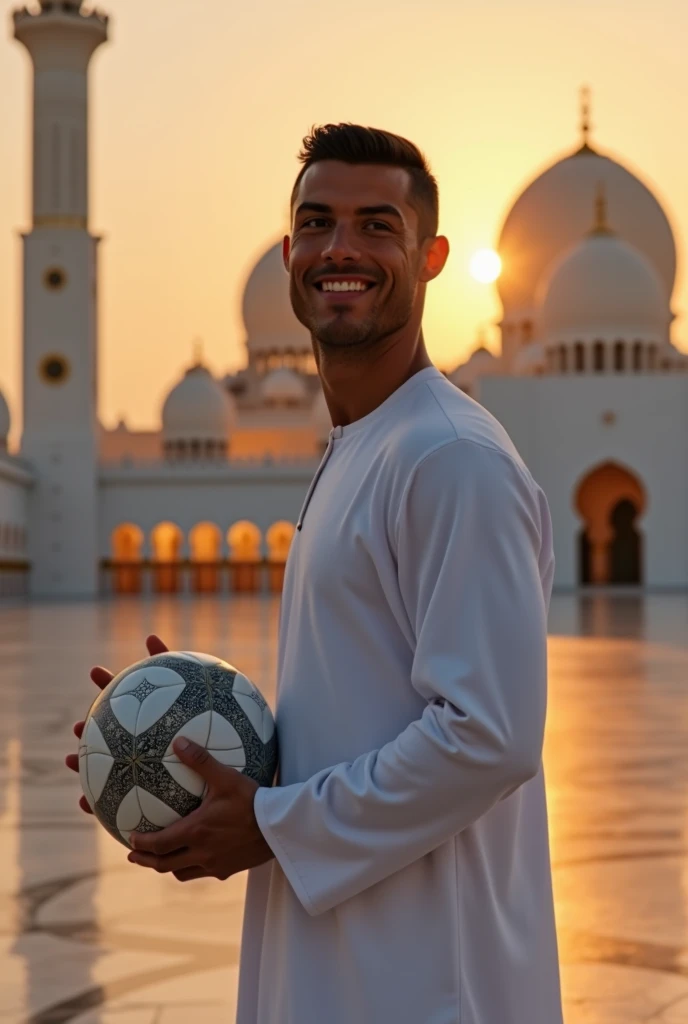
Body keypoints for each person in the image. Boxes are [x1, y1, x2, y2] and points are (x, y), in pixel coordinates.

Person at [67, 124, 563, 1024]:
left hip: (427, 981)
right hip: (350, 963)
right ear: (288, 250)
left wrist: (270, 823)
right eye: (318, 223)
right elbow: (374, 709)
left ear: (433, 256)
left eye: (378, 225)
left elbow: (489, 736)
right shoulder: (362, 448)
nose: (342, 249)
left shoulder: (450, 458)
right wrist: (177, 740)